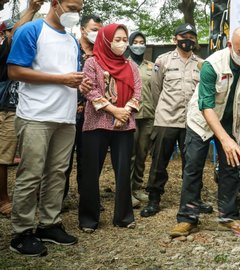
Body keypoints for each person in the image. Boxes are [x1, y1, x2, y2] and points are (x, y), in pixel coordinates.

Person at [169, 26, 240, 237]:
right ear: (230, 46)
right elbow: (205, 105)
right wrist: (224, 140)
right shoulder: (212, 65)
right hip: (201, 120)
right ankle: (187, 218)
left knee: (231, 167)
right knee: (193, 167)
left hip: (229, 120)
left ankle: (229, 217)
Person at [7, 0, 87, 256]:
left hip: (65, 116)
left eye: (80, 9)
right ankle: (22, 231)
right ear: (56, 4)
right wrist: (61, 79)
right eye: (72, 7)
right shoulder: (31, 31)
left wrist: (79, 84)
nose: (76, 14)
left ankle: (49, 224)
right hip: (35, 115)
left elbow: (69, 76)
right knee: (31, 173)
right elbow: (15, 71)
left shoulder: (72, 40)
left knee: (57, 173)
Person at [140, 23, 212, 217]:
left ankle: (194, 199)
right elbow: (156, 89)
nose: (187, 40)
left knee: (193, 162)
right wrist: (162, 110)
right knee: (158, 161)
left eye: (191, 36)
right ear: (175, 39)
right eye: (183, 36)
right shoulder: (162, 61)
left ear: (195, 40)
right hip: (166, 119)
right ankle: (154, 199)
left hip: (192, 122)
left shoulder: (202, 64)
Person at [78, 23, 141, 233]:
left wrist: (123, 114)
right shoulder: (92, 63)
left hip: (124, 125)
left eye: (125, 40)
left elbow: (138, 94)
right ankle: (89, 218)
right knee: (90, 172)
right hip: (96, 124)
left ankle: (123, 217)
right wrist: (115, 111)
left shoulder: (131, 66)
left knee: (123, 172)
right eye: (117, 40)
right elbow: (91, 92)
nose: (122, 44)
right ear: (106, 41)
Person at [0, 0, 44, 218]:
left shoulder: (33, 47)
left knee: (31, 155)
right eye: (11, 30)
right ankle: (3, 199)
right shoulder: (6, 47)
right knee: (4, 156)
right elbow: (14, 35)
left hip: (30, 109)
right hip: (8, 106)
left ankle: (29, 197)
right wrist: (32, 9)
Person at [63, 14, 103, 203]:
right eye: (94, 29)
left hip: (92, 115)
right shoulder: (69, 49)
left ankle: (87, 199)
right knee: (63, 160)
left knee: (88, 161)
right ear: (83, 30)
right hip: (67, 113)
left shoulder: (101, 54)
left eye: (100, 30)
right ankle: (59, 198)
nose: (97, 34)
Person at [127, 30, 154, 208]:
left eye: (141, 42)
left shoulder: (152, 66)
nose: (138, 45)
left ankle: (137, 188)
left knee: (142, 154)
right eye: (135, 42)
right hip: (130, 115)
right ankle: (126, 191)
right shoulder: (123, 64)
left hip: (149, 115)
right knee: (130, 154)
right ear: (129, 45)